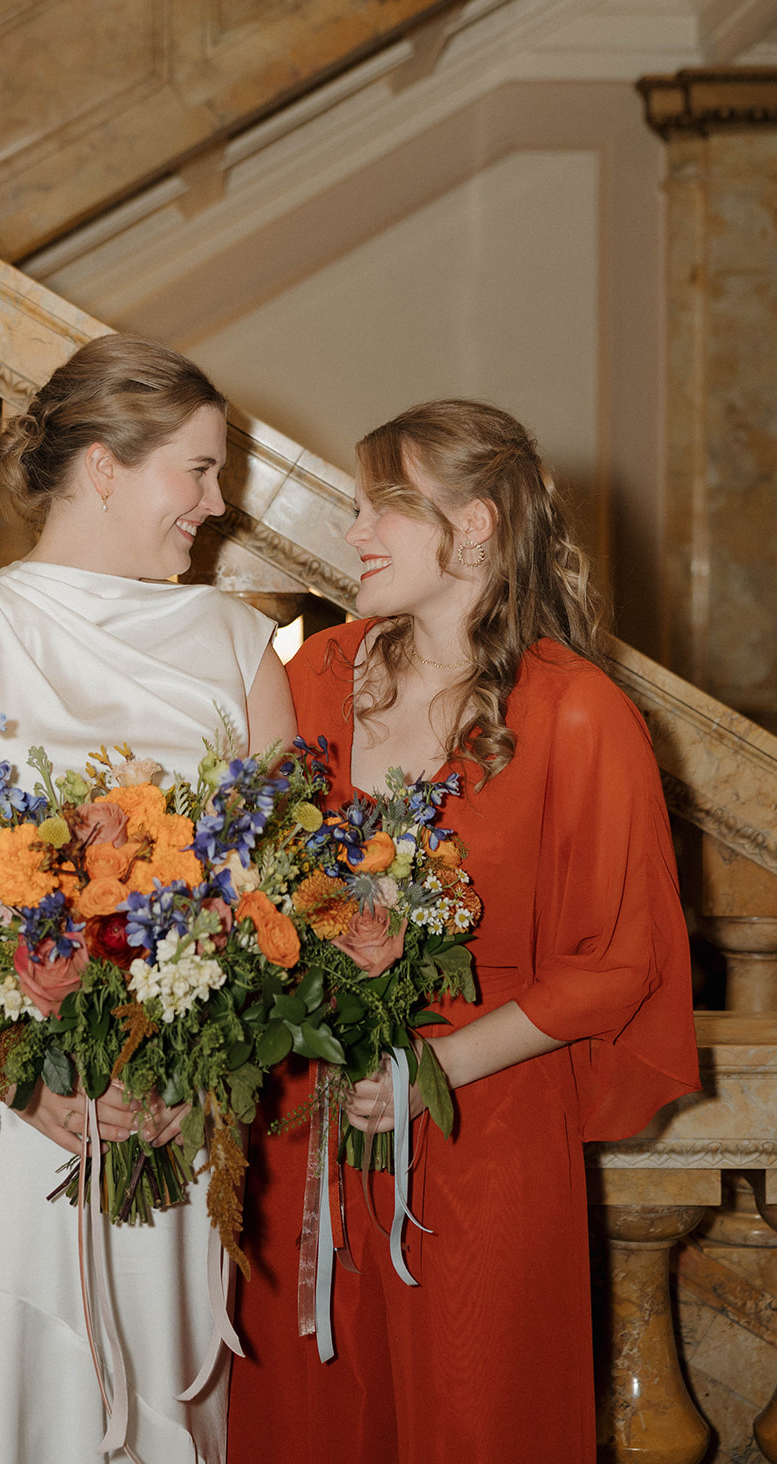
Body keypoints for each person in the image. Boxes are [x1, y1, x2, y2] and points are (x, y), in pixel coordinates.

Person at [0, 333, 296, 1464]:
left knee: (151, 1387)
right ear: (103, 467)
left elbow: (275, 895)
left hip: (163, 1112)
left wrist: (200, 1070)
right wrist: (14, 1064)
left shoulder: (241, 645)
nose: (218, 503)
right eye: (198, 469)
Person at [227, 399, 700, 1464]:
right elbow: (241, 877)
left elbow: (617, 962)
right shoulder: (309, 674)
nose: (351, 530)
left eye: (380, 508)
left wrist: (429, 1068)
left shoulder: (577, 712)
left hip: (481, 1126)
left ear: (474, 525)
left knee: (479, 1422)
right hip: (301, 1127)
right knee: (301, 1427)